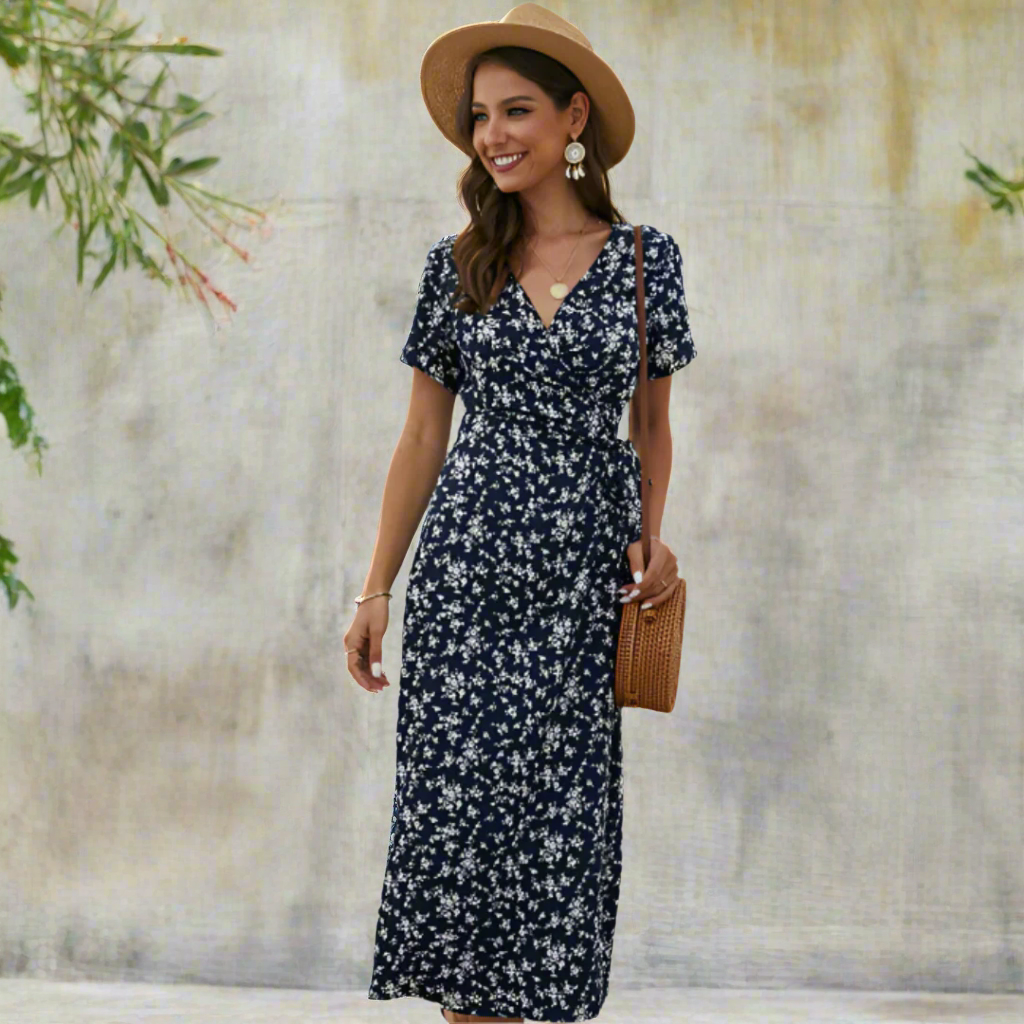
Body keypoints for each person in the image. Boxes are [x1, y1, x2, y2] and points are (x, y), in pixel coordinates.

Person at [354, 4, 697, 1022]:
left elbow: (650, 427)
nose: (493, 134)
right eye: (479, 116)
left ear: (572, 117)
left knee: (556, 839)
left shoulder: (646, 261)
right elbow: (422, 438)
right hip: (465, 583)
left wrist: (652, 538)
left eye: (516, 111)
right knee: (461, 835)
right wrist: (375, 588)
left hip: (579, 592)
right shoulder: (456, 263)